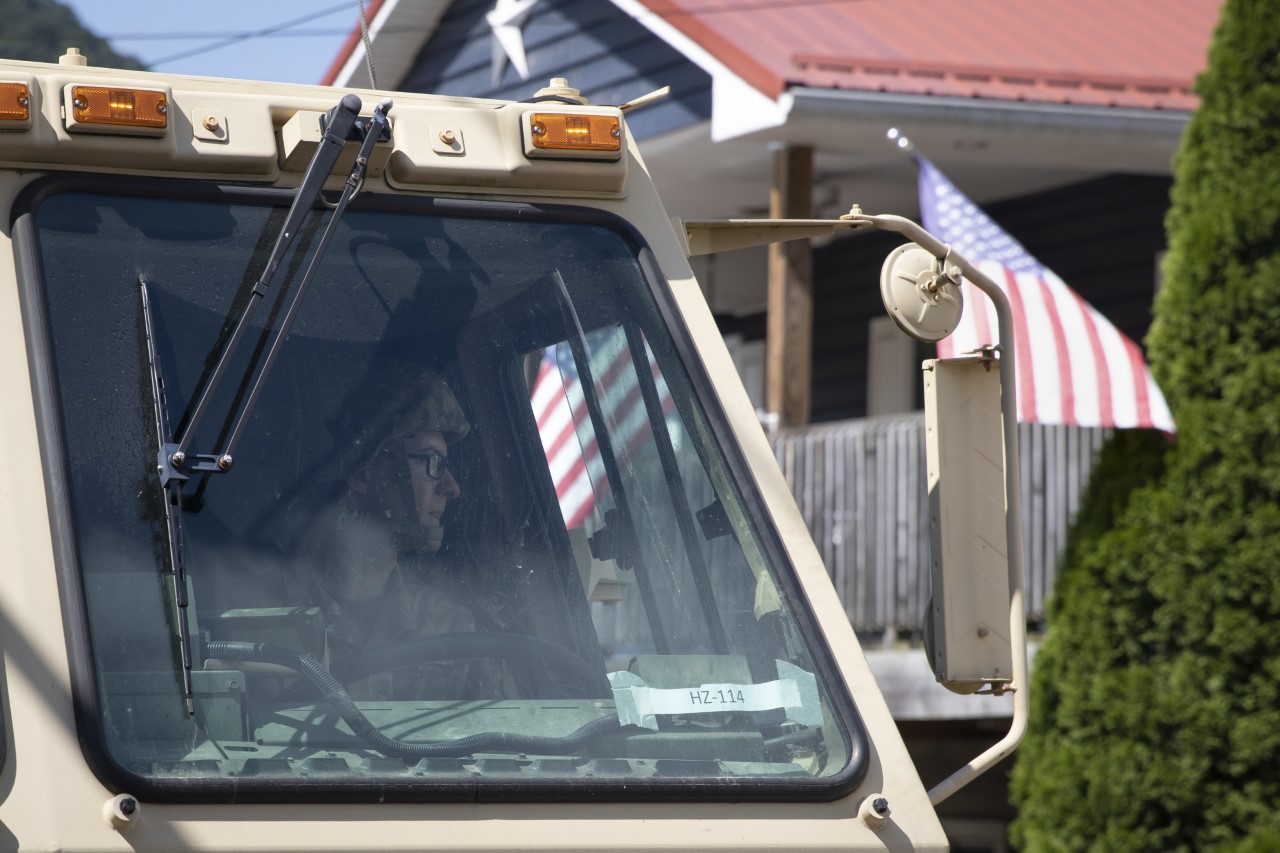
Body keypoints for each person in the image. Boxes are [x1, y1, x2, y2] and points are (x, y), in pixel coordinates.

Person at [287, 363, 509, 701]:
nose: (451, 488)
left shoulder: (453, 628)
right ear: (363, 474)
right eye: (432, 463)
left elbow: (505, 743)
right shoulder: (262, 615)